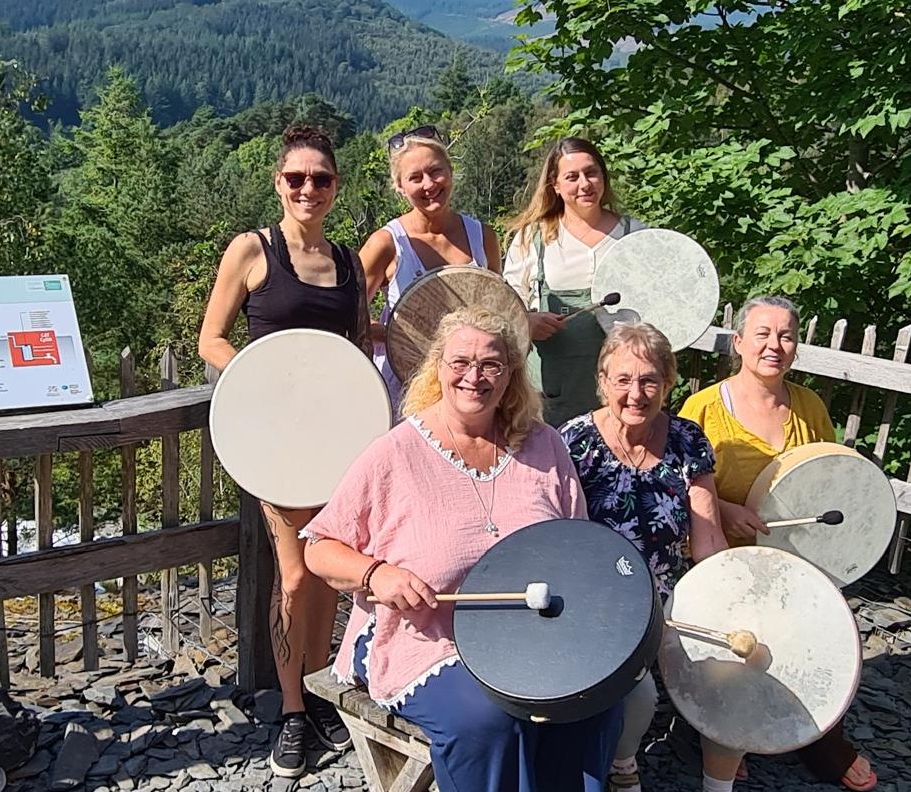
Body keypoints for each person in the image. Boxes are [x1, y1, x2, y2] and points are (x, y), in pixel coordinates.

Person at [302, 308, 623, 792]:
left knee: (592, 704)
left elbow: (575, 547)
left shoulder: (544, 446)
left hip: (532, 638)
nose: (474, 377)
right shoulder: (397, 453)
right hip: (425, 640)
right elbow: (319, 547)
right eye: (460, 362)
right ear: (438, 366)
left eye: (491, 364)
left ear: (512, 372)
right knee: (488, 720)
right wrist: (375, 574)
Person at [197, 126, 363, 776]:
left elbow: (358, 344)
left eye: (320, 178)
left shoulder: (347, 263)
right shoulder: (252, 250)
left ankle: (319, 690)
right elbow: (211, 339)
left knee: (329, 570)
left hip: (340, 439)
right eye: (295, 178)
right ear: (278, 182)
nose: (307, 189)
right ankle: (293, 709)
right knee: (295, 573)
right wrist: (261, 388)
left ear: (335, 186)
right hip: (275, 442)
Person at [679, 296, 878, 792]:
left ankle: (811, 728)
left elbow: (831, 481)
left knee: (812, 639)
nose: (775, 345)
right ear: (739, 342)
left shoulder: (808, 406)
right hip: (724, 558)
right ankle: (723, 731)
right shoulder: (702, 407)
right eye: (763, 334)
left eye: (786, 335)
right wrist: (726, 511)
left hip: (795, 563)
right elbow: (675, 484)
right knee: (738, 646)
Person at [558, 322, 736, 792]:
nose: (636, 393)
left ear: (668, 383)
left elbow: (707, 537)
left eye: (649, 380)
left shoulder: (687, 441)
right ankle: (623, 764)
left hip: (666, 595)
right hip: (595, 600)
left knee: (737, 665)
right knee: (639, 696)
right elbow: (556, 539)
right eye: (623, 380)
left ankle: (720, 781)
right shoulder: (572, 442)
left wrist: (726, 602)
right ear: (602, 381)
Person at [503, 136, 644, 426]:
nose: (585, 184)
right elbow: (505, 304)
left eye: (591, 172)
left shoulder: (635, 235)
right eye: (572, 177)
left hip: (624, 392)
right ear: (555, 185)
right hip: (550, 393)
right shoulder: (533, 238)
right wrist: (526, 320)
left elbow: (661, 302)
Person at [359, 125, 502, 409]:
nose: (429, 184)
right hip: (406, 384)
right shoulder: (387, 243)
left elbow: (497, 307)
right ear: (399, 186)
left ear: (450, 172)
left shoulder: (483, 237)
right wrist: (387, 333)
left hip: (472, 385)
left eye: (436, 171)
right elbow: (347, 312)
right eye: (415, 177)